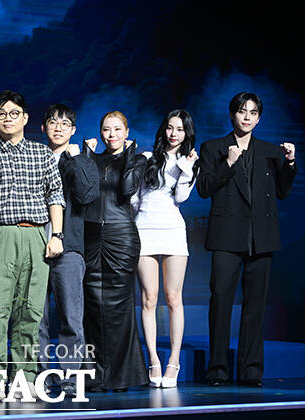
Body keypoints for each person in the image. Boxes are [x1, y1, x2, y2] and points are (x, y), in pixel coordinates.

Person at [197, 92, 296, 387]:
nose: (247, 117)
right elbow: (204, 188)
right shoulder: (213, 148)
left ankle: (251, 371)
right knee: (221, 303)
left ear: (259, 118)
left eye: (253, 112)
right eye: (242, 111)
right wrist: (228, 163)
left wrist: (290, 163)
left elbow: (282, 191)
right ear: (232, 115)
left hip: (261, 238)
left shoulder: (270, 151)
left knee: (255, 307)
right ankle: (217, 370)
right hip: (226, 236)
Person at [0, 90, 65, 400]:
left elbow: (55, 194)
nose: (8, 119)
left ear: (25, 118)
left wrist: (56, 235)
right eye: (2, 114)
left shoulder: (41, 153)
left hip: (36, 235)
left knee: (31, 313)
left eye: (14, 113)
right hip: (0, 236)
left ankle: (24, 379)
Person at [80, 111, 148, 391]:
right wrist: (86, 155)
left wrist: (130, 154)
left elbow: (127, 188)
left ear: (127, 132)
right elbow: (84, 193)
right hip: (90, 237)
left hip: (121, 238)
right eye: (107, 129)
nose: (112, 135)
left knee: (120, 308)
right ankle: (94, 374)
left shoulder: (138, 159)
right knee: (92, 307)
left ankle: (121, 376)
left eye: (118, 129)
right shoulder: (91, 158)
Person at [132, 109, 199, 388]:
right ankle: (153, 360)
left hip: (172, 230)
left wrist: (186, 168)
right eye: (170, 127)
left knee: (173, 298)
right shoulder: (147, 157)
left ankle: (173, 361)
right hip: (144, 229)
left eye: (180, 129)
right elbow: (135, 198)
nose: (174, 133)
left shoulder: (190, 162)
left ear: (187, 133)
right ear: (164, 129)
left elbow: (181, 197)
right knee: (149, 299)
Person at [37, 104, 99, 397]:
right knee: (35, 317)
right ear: (43, 128)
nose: (58, 128)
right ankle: (39, 375)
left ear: (73, 130)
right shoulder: (35, 157)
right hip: (34, 244)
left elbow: (87, 195)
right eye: (53, 122)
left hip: (70, 247)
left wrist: (76, 159)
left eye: (64, 124)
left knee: (71, 318)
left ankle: (71, 377)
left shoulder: (80, 159)